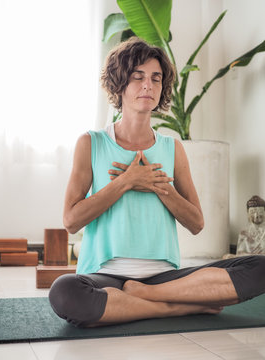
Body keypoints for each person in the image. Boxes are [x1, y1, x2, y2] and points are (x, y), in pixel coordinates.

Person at [49, 37, 265, 328]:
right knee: (64, 293)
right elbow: (71, 221)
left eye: (155, 78)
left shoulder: (173, 148)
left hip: (163, 276)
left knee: (260, 267)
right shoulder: (92, 143)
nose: (147, 85)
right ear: (120, 84)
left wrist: (158, 186)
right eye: (137, 77)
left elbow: (196, 222)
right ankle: (175, 308)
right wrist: (125, 181)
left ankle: (147, 296)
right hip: (105, 275)